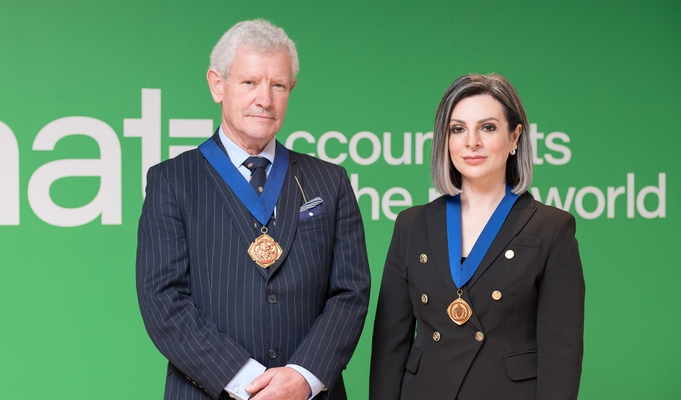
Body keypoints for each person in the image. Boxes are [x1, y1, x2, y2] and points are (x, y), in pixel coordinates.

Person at [136, 19, 370, 400]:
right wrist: (246, 381)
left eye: (278, 85)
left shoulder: (331, 181)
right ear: (217, 84)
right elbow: (163, 300)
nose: (265, 98)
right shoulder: (172, 181)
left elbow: (351, 292)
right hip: (211, 392)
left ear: (290, 88)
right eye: (249, 83)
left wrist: (302, 377)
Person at [369, 73, 584, 399]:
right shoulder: (412, 224)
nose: (472, 142)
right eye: (458, 129)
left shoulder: (552, 228)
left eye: (488, 127)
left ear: (515, 137)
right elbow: (390, 345)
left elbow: (561, 352)